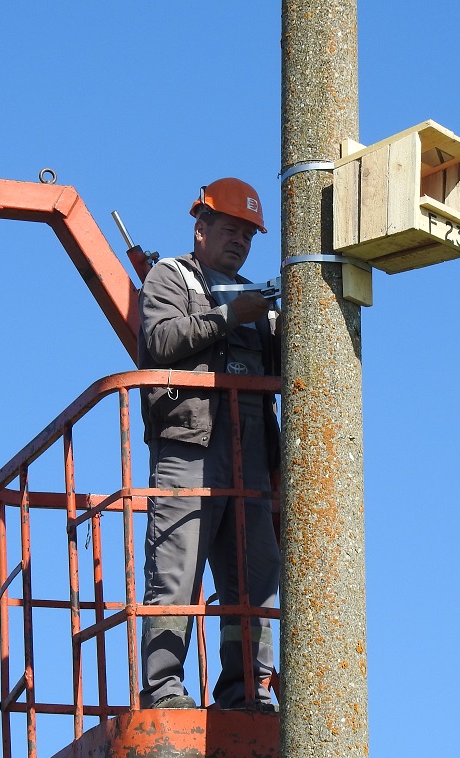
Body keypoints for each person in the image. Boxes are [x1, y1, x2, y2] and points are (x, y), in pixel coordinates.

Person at [138, 177, 280, 711]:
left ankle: (247, 690)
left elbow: (286, 366)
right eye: (230, 229)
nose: (240, 241)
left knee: (255, 579)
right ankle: (165, 691)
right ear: (200, 229)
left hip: (251, 458)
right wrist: (226, 318)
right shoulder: (171, 277)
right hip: (190, 449)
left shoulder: (258, 302)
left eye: (248, 234)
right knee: (177, 570)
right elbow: (159, 342)